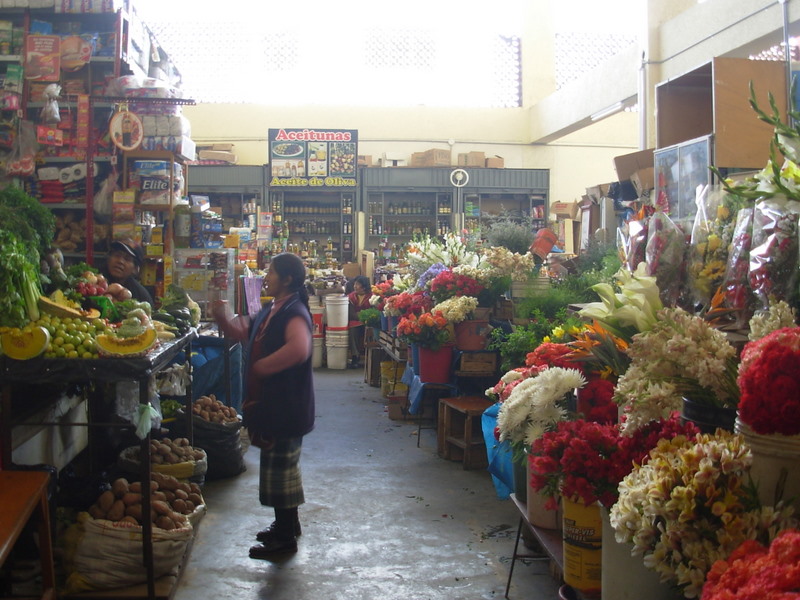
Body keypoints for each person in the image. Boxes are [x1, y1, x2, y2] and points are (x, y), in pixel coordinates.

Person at [211, 253, 315, 559]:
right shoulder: (274, 308)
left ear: (287, 279)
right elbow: (243, 329)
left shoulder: (295, 312)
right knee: (282, 467)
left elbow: (300, 348)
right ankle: (287, 525)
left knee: (279, 469)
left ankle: (284, 540)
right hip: (275, 405)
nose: (265, 276)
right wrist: (222, 317)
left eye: (270, 272)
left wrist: (263, 367)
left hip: (286, 405)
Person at [102, 238, 153, 304]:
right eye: (117, 255)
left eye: (127, 259)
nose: (120, 261)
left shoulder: (141, 296)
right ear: (109, 258)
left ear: (135, 269)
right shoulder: (93, 283)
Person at [347, 275, 372, 368]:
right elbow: (351, 314)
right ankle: (355, 356)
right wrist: (364, 314)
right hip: (355, 322)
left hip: (368, 322)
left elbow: (373, 311)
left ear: (364, 286)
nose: (355, 286)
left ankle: (370, 356)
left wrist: (360, 314)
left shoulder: (372, 296)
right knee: (353, 329)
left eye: (357, 284)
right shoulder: (351, 297)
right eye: (355, 284)